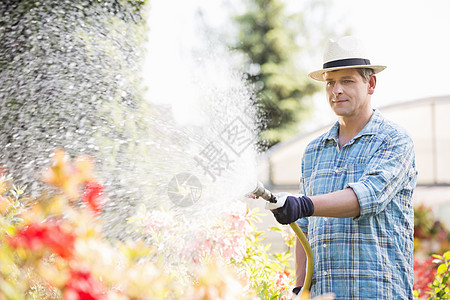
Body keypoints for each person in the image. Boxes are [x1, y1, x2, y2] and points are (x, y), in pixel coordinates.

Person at [266, 36, 417, 299]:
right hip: (325, 294)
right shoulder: (314, 150)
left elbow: (368, 197)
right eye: (330, 82)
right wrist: (301, 289)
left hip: (380, 293)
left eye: (347, 81)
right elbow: (304, 227)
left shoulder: (394, 140)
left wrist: (304, 203)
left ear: (371, 84)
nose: (336, 90)